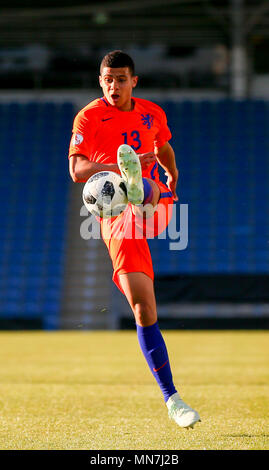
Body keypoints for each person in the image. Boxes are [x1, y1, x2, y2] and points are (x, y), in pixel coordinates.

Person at [68, 50, 200, 429]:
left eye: (121, 79)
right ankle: (173, 400)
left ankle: (140, 188)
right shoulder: (90, 116)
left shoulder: (151, 113)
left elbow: (162, 146)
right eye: (108, 79)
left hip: (155, 197)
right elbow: (77, 169)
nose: (114, 86)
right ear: (100, 81)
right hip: (115, 212)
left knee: (148, 195)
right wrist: (117, 169)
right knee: (143, 309)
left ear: (134, 81)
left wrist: (171, 171)